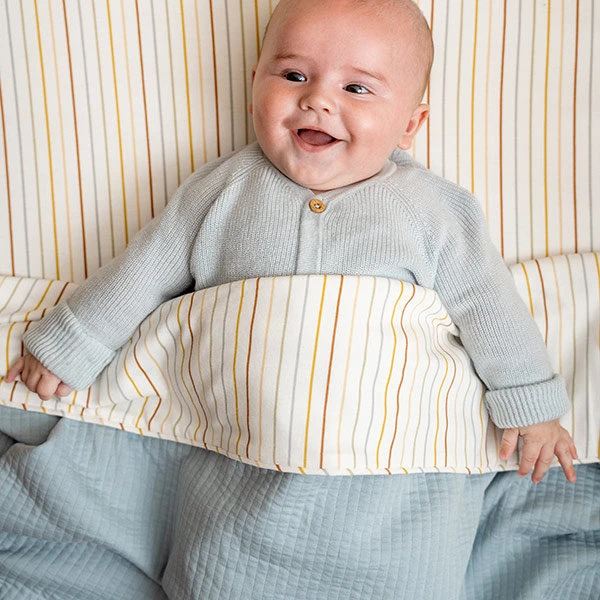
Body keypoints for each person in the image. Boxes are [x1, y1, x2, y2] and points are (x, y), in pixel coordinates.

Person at [5, 0, 580, 595]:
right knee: (218, 562)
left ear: (410, 123)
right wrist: (71, 343)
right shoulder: (222, 190)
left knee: (408, 573)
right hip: (241, 455)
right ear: (255, 85)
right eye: (294, 74)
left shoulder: (433, 211)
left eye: (357, 88)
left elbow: (489, 306)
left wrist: (530, 405)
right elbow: (144, 269)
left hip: (395, 481)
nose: (318, 99)